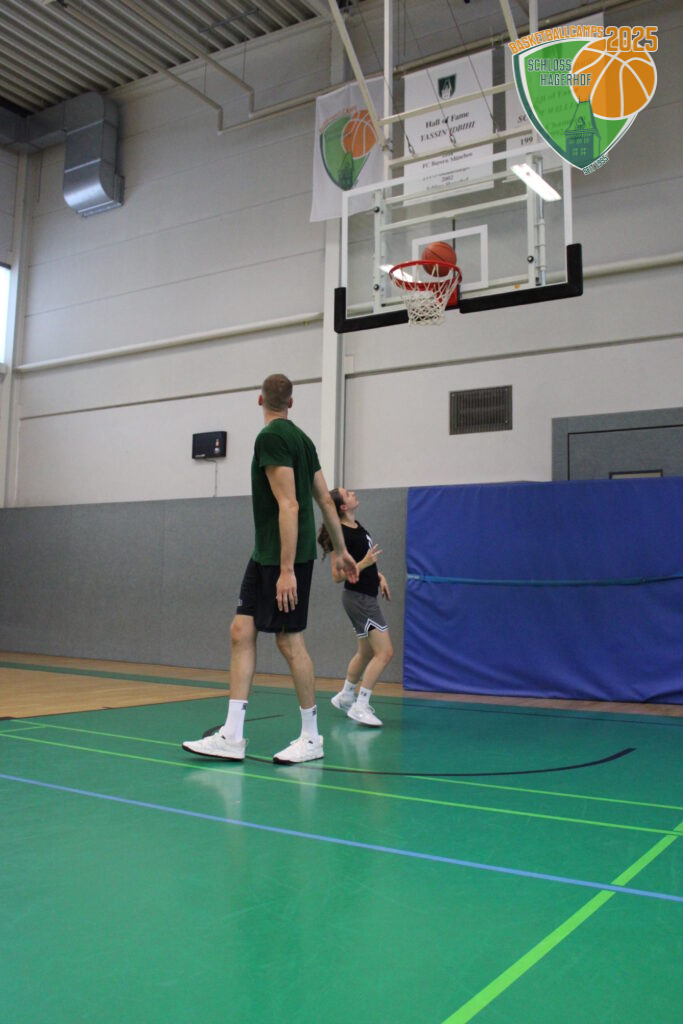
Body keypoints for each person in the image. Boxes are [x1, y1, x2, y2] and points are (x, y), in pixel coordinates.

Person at [182, 374, 358, 765]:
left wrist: (287, 569)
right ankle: (231, 735)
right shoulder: (303, 440)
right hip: (264, 554)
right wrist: (341, 551)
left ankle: (311, 738)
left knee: (289, 641)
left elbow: (291, 504)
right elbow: (326, 502)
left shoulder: (272, 438)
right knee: (241, 631)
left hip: (283, 559)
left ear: (260, 400)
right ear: (290, 403)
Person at [317, 487, 393, 727]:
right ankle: (361, 705)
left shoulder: (357, 526)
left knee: (367, 652)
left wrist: (378, 575)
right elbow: (337, 576)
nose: (352, 493)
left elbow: (362, 563)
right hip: (359, 599)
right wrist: (365, 563)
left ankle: (346, 696)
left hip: (364, 595)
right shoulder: (339, 533)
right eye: (347, 494)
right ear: (342, 506)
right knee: (385, 653)